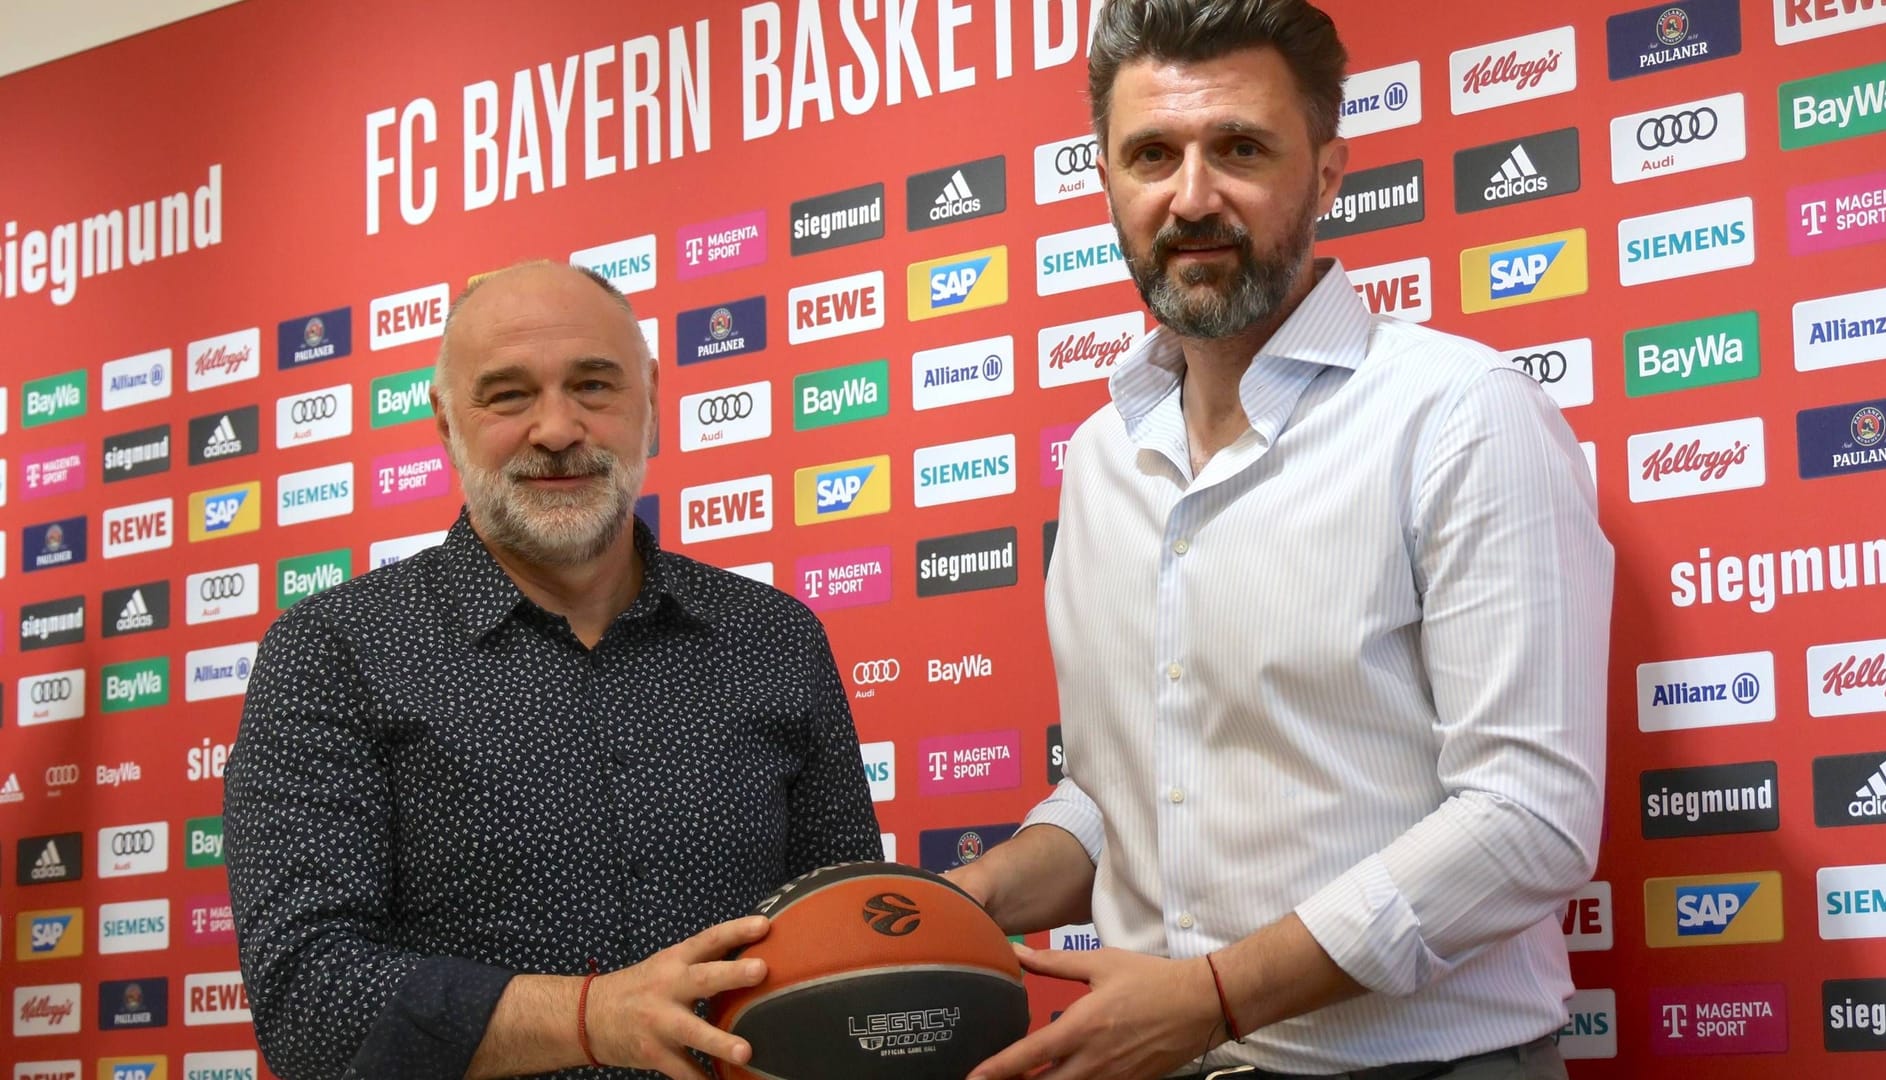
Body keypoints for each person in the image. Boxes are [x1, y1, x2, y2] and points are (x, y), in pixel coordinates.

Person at [950, 3, 1612, 1079]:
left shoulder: (1459, 412)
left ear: (1331, 168)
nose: (1192, 196)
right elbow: (1127, 793)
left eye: (1242, 148)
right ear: (1109, 178)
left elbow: (1528, 819)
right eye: (1152, 154)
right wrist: (986, 892)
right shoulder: (1102, 457)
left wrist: (1213, 998)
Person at [225, 261, 883, 1080]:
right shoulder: (334, 653)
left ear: (651, 403)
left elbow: (855, 944)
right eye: (508, 395)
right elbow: (307, 998)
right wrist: (590, 1018)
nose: (557, 428)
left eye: (594, 386)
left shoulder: (775, 639)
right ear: (444, 424)